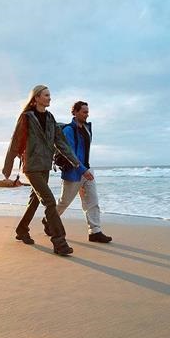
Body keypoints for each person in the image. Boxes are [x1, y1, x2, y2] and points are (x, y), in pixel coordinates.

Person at [2, 85, 80, 255]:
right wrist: (7, 167)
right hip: (31, 167)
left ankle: (22, 229)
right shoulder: (26, 117)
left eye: (49, 95)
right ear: (36, 98)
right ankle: (59, 242)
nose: (49, 98)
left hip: (45, 167)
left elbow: (61, 143)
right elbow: (15, 141)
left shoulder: (50, 118)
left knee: (35, 200)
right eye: (46, 95)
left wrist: (75, 162)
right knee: (49, 202)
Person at [44, 101, 112, 243]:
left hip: (87, 170)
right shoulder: (68, 130)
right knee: (64, 202)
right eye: (84, 112)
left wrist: (86, 169)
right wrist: (82, 170)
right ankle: (49, 220)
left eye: (87, 112)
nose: (87, 114)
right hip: (74, 172)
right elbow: (70, 154)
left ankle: (95, 232)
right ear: (74, 112)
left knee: (92, 201)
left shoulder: (87, 129)